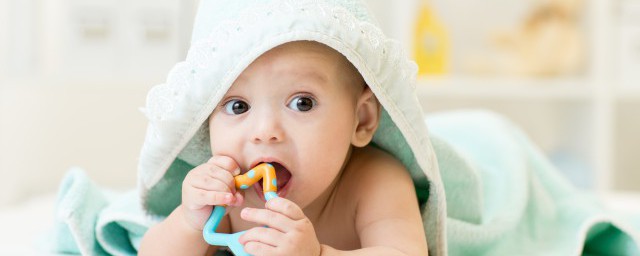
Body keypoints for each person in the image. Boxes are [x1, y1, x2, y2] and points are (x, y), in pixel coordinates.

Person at [136, 0, 445, 255]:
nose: (265, 131)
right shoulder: (228, 197)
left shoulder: (375, 181)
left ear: (361, 119)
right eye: (238, 106)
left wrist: (319, 254)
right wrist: (190, 222)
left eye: (302, 103)